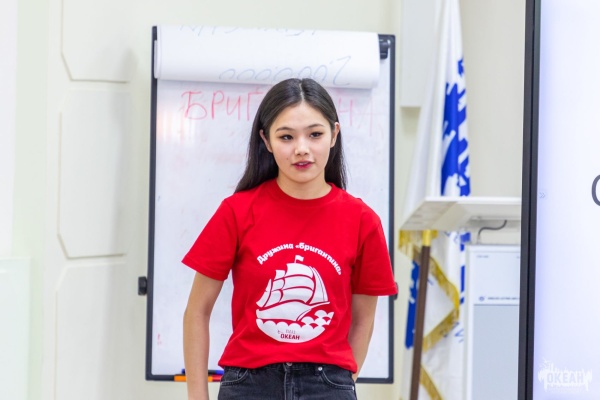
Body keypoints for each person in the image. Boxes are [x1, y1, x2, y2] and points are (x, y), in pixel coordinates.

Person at [182, 78, 397, 400]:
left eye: (315, 134)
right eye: (286, 136)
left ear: (334, 135)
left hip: (327, 386)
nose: (301, 148)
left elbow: (364, 319)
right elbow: (197, 312)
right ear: (266, 140)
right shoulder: (236, 212)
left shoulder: (362, 220)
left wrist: (339, 382)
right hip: (248, 385)